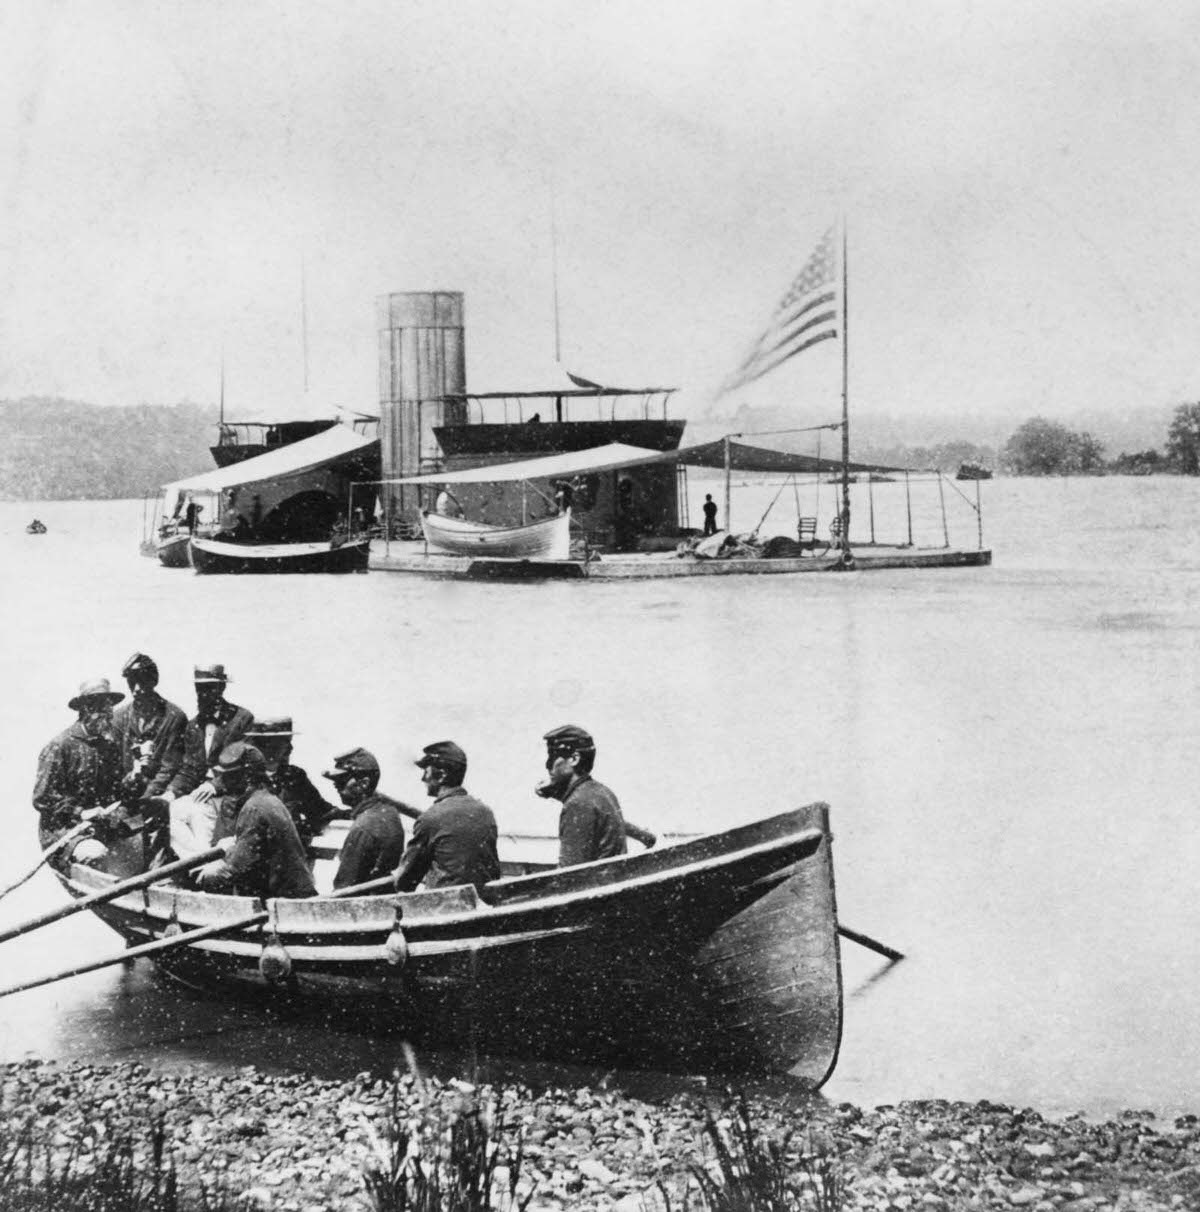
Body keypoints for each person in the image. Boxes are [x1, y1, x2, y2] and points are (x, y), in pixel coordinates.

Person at [196, 742, 316, 899]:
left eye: (228, 777)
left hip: (282, 901)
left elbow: (235, 868)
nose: (222, 782)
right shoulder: (265, 799)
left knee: (210, 876)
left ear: (246, 777)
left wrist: (204, 876)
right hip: (287, 894)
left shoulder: (254, 808)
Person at [162, 664, 254, 862]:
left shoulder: (242, 719)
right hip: (201, 795)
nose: (202, 694)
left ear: (221, 688)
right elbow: (189, 769)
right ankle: (201, 864)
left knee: (197, 813)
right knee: (171, 810)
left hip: (230, 793)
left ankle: (203, 868)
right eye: (199, 689)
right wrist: (171, 792)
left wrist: (214, 785)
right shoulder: (194, 725)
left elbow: (247, 764)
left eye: (209, 688)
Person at [33, 678, 124, 863]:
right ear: (86, 710)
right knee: (96, 853)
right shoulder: (60, 746)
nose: (107, 715)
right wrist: (80, 812)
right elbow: (42, 799)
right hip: (63, 832)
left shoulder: (108, 747)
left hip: (99, 827)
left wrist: (138, 776)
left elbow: (116, 791)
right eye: (101, 709)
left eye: (109, 709)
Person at [392, 741, 500, 893]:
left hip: (447, 907)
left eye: (426, 772)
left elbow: (404, 881)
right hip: (484, 903)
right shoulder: (486, 812)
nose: (423, 779)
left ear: (441, 775)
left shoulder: (430, 819)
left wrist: (399, 875)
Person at [246, 716, 340, 858]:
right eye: (281, 743)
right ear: (259, 745)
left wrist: (355, 812)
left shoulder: (295, 776)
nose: (290, 748)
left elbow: (319, 810)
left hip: (290, 857)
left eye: (287, 742)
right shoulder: (244, 778)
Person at [536, 725, 627, 867]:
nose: (547, 764)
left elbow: (569, 877)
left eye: (553, 756)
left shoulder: (577, 804)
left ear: (574, 759)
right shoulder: (602, 792)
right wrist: (557, 793)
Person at [322, 747, 412, 890]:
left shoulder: (363, 827)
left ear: (364, 783)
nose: (335, 785)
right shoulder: (390, 812)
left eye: (341, 781)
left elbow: (344, 887)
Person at [111, 653, 189, 808]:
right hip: (125, 794)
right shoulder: (119, 717)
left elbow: (169, 768)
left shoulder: (174, 717)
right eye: (132, 683)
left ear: (153, 681)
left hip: (159, 796)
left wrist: (146, 801)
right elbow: (115, 766)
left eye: (142, 681)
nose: (137, 689)